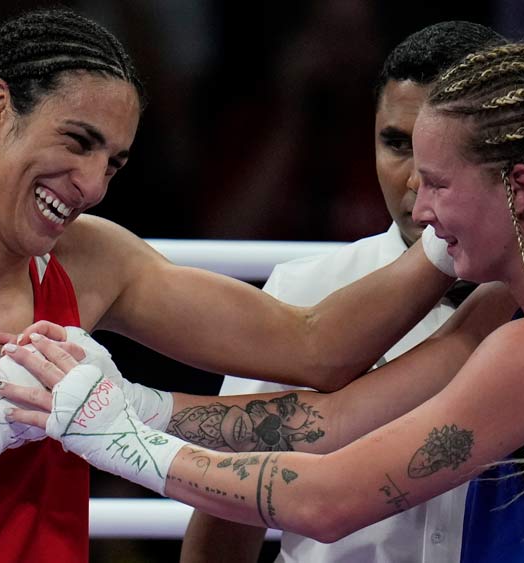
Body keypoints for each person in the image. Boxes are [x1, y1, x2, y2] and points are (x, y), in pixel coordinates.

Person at [0, 7, 462, 563]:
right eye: (77, 141)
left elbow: (316, 346)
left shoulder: (90, 262)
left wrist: (454, 222)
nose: (90, 185)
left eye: (114, 163)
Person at [0, 40, 524, 561]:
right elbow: (326, 420)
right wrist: (132, 401)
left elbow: (327, 499)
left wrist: (111, 437)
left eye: (439, 182)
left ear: (520, 188)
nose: (421, 207)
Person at [182, 21, 504, 563]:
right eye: (396, 144)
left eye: (446, 150)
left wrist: (127, 420)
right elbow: (228, 521)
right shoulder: (305, 291)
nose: (414, 180)